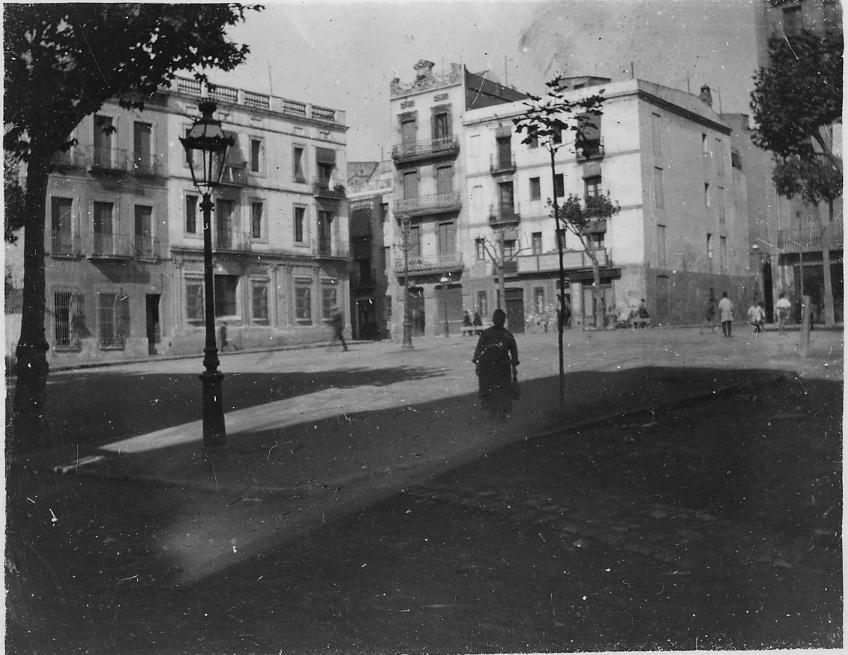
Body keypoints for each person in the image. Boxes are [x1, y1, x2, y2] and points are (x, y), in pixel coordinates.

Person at [472, 309, 519, 422]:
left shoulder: (508, 336)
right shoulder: (486, 334)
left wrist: (514, 365)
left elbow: (514, 353)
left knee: (503, 391)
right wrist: (478, 364)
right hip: (488, 367)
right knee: (490, 390)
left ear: (504, 321)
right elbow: (478, 350)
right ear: (493, 320)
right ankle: (492, 412)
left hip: (503, 368)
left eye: (501, 320)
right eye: (497, 319)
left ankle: (503, 414)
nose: (499, 322)